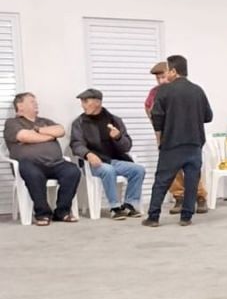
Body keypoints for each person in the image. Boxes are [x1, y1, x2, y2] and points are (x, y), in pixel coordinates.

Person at [143, 54, 213, 227]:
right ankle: (186, 217)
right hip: (195, 144)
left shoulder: (164, 91)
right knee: (192, 182)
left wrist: (160, 139)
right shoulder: (198, 90)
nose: (165, 74)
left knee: (161, 181)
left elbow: (157, 117)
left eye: (167, 70)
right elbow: (208, 116)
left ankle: (153, 217)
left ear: (174, 71)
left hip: (172, 144)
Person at [3, 92, 81, 225]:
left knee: (73, 171)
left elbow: (60, 131)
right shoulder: (12, 123)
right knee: (34, 174)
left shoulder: (45, 121)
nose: (36, 104)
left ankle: (62, 212)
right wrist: (49, 135)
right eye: (32, 101)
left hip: (55, 163)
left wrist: (38, 130)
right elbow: (24, 136)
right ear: (20, 106)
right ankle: (43, 214)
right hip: (29, 164)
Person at [69, 89, 145, 219]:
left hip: (115, 160)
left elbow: (127, 146)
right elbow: (76, 144)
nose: (83, 105)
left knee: (138, 170)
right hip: (94, 163)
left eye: (86, 101)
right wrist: (88, 154)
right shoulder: (79, 123)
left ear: (98, 102)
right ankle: (115, 208)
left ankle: (129, 205)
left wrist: (118, 137)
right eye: (82, 102)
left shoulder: (115, 120)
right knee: (108, 170)